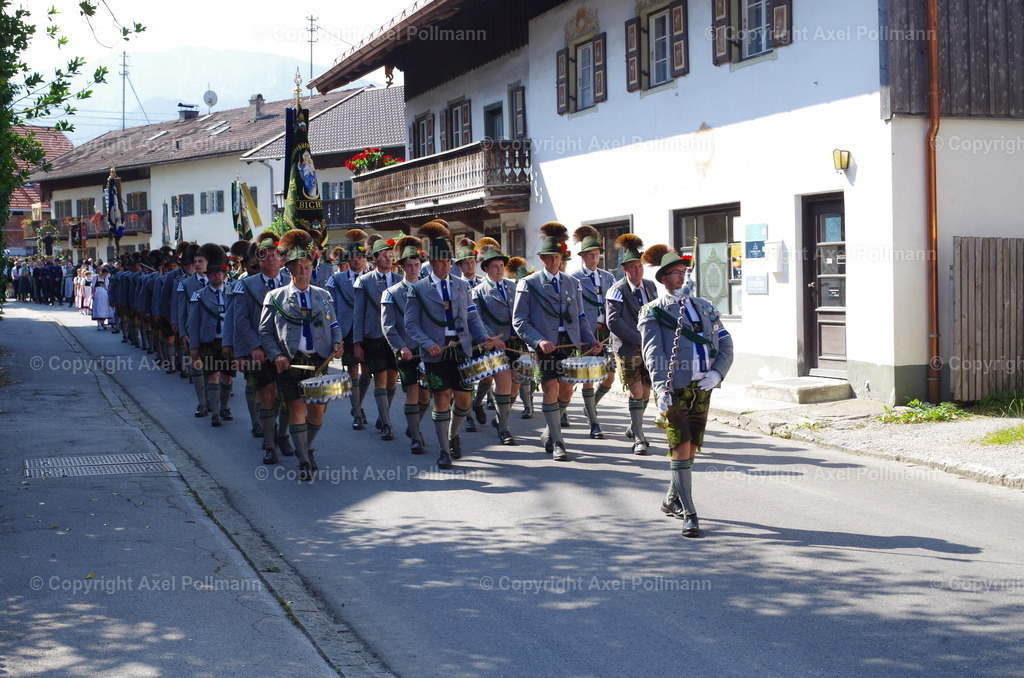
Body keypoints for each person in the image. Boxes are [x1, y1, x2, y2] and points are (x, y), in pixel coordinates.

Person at [639, 244, 734, 538]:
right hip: (673, 388)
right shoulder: (653, 311)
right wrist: (660, 390)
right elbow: (653, 354)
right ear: (664, 279)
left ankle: (670, 499)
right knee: (680, 446)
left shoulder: (704, 306)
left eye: (684, 272)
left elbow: (725, 341)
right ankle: (690, 513)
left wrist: (718, 372)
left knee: (691, 448)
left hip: (702, 386)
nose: (682, 277)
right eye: (675, 273)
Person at [404, 220, 503, 469]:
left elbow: (472, 316)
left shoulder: (461, 285)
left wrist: (483, 338)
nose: (446, 264)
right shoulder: (418, 289)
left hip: (462, 349)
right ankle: (444, 450)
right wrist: (427, 344)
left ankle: (453, 434)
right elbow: (411, 324)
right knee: (441, 398)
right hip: (435, 353)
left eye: (449, 260)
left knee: (463, 400)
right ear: (434, 262)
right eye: (442, 260)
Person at [512, 222, 603, 462]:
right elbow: (519, 320)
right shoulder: (528, 284)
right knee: (550, 389)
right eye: (549, 257)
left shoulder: (573, 283)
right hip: (545, 345)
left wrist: (591, 340)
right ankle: (558, 442)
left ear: (562, 257)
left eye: (557, 257)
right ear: (542, 258)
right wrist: (538, 341)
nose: (553, 261)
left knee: (566, 391)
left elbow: (581, 318)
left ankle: (548, 431)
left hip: (568, 344)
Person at [259, 229, 343, 482]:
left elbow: (335, 325)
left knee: (317, 412)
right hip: (290, 363)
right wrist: (276, 356)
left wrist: (338, 343)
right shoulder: (275, 297)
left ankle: (306, 446)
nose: (303, 270)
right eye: (298, 266)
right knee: (296, 408)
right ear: (290, 269)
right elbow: (265, 332)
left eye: (307, 266)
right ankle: (304, 460)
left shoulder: (324, 295)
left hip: (319, 363)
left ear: (312, 268)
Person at [228, 231, 291, 464]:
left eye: (276, 255)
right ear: (259, 260)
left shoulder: (291, 281)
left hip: (287, 350)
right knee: (266, 395)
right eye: (266, 255)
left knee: (287, 395)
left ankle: (283, 434)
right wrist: (251, 347)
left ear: (282, 259)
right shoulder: (246, 285)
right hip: (260, 351)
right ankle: (269, 442)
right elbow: (240, 320)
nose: (271, 259)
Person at [606, 234, 658, 454]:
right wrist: (636, 337)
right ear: (625, 269)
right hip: (627, 348)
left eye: (639, 267)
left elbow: (657, 312)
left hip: (650, 348)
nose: (637, 271)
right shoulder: (616, 289)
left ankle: (633, 426)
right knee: (636, 391)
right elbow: (613, 321)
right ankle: (638, 437)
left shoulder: (651, 287)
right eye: (632, 268)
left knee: (646, 393)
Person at [381, 236, 432, 454]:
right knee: (412, 391)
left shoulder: (430, 289)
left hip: (428, 351)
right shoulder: (391, 293)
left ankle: (414, 426)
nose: (413, 268)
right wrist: (400, 347)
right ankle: (416, 436)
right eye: (409, 265)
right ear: (401, 267)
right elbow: (388, 327)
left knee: (425, 395)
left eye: (416, 264)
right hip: (407, 351)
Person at [569, 225, 617, 439]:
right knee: (588, 377)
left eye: (597, 255)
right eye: (590, 255)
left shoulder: (608, 277)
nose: (594, 258)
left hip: (606, 333)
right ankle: (593, 421)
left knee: (610, 376)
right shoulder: (574, 278)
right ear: (583, 256)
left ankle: (590, 406)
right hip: (586, 333)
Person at [353, 235, 401, 441]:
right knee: (380, 378)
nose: (388, 259)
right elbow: (358, 314)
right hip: (373, 337)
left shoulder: (400, 280)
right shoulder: (364, 281)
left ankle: (383, 416)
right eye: (384, 255)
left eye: (390, 255)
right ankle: (387, 423)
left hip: (395, 339)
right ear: (374, 259)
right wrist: (357, 343)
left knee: (392, 380)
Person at [472, 245, 519, 445]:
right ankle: (504, 428)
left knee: (516, 384)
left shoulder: (513, 287)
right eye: (495, 267)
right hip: (492, 343)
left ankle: (496, 415)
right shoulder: (478, 291)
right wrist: (490, 337)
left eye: (501, 266)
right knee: (501, 381)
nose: (499, 270)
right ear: (486, 269)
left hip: (514, 343)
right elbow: (476, 319)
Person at [187, 244, 235, 428]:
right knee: (212, 376)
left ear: (224, 274)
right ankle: (215, 413)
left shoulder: (232, 293)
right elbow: (193, 323)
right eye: (213, 273)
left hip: (228, 342)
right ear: (208, 275)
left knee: (227, 376)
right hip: (209, 342)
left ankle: (224, 407)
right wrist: (194, 347)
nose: (217, 276)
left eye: (220, 273)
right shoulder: (199, 296)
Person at [325, 228, 369, 430]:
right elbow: (330, 308)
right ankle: (357, 411)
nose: (357, 261)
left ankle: (358, 404)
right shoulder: (336, 280)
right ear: (348, 260)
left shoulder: (371, 278)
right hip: (348, 330)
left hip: (368, 329)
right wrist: (333, 335)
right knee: (352, 370)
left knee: (367, 373)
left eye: (360, 257)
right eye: (353, 258)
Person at [176, 244, 211, 416]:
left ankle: (216, 403)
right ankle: (202, 403)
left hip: (213, 331)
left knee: (214, 370)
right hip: (193, 332)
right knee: (197, 368)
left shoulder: (216, 281)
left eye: (200, 261)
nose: (197, 264)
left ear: (207, 263)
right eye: (195, 261)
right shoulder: (185, 284)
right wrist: (183, 332)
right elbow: (181, 310)